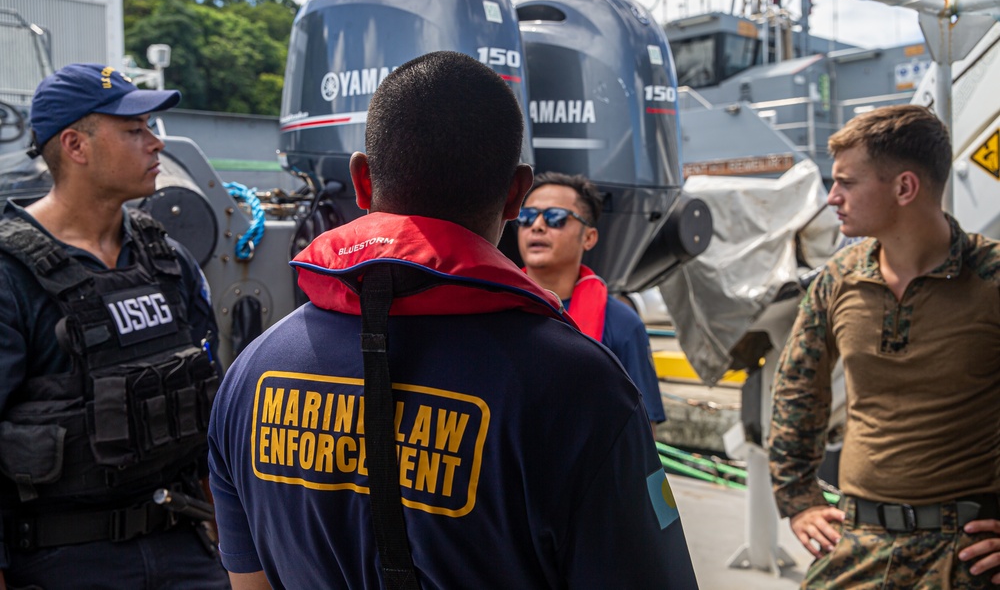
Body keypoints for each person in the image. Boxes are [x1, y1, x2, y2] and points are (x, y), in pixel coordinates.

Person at [207, 51, 699, 589]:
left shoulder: (249, 377)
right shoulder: (581, 389)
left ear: (362, 182)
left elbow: (248, 583)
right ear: (516, 193)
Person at [0, 64, 230, 589]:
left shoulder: (168, 261)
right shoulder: (10, 274)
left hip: (182, 542)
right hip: (62, 561)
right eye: (135, 130)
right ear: (76, 146)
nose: (155, 145)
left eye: (151, 128)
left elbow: (206, 405)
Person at [767, 104, 1000, 589]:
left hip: (968, 551)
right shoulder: (839, 278)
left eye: (847, 183)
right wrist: (799, 499)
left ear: (904, 188)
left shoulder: (991, 276)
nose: (833, 198)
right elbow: (797, 393)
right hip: (859, 538)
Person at [516, 172, 667, 435]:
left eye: (555, 218)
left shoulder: (622, 325)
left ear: (589, 237)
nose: (537, 226)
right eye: (527, 216)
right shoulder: (494, 306)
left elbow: (643, 431)